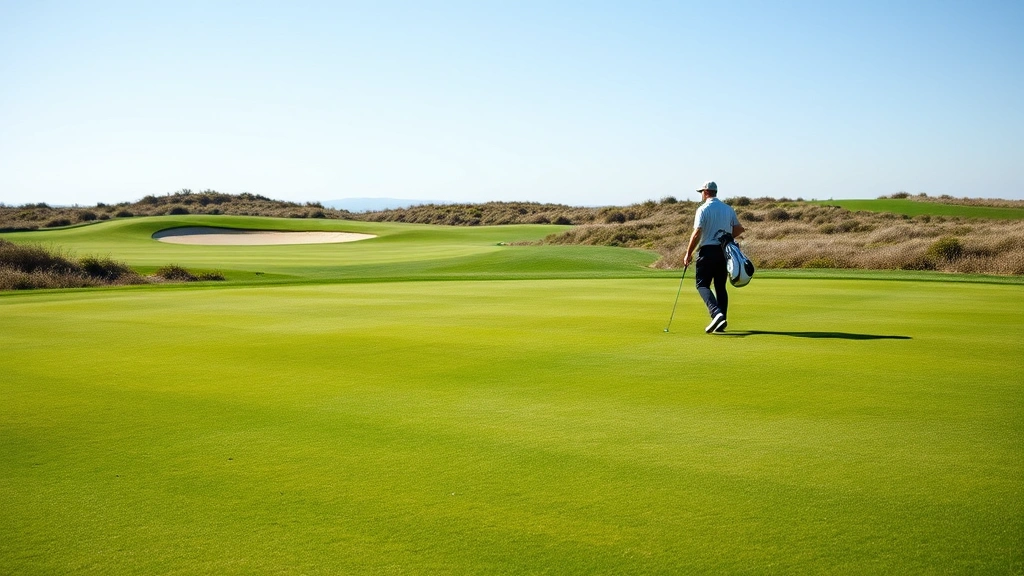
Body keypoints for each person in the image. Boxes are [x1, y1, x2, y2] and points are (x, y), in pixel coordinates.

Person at [682, 181, 745, 333]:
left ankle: (716, 313)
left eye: (701, 192)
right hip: (723, 252)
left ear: (706, 192)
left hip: (707, 251)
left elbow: (697, 233)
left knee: (702, 284)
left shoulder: (703, 209)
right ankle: (721, 319)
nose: (701, 195)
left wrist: (688, 254)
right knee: (720, 286)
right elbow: (739, 229)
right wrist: (727, 237)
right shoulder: (728, 209)